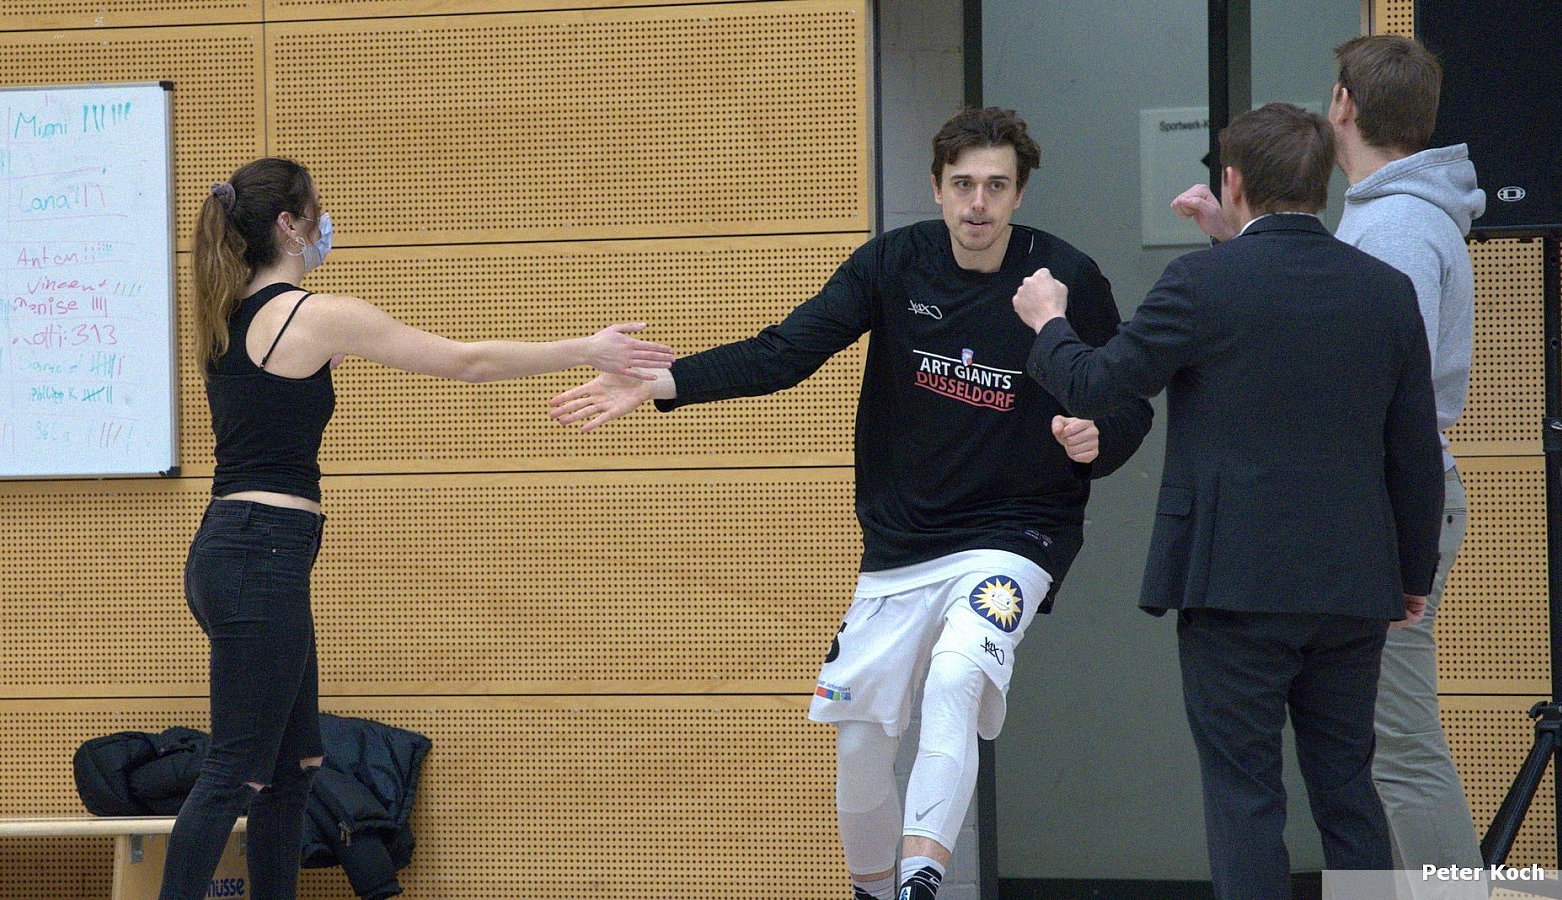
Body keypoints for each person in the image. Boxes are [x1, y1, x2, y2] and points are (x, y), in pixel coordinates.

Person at [549, 107, 1152, 900]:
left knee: (957, 675)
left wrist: (1098, 440)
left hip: (1017, 532)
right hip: (902, 543)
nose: (978, 203)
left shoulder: (1066, 277)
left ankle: (921, 880)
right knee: (862, 740)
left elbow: (1127, 401)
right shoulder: (893, 263)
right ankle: (873, 890)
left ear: (1019, 193)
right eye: (963, 184)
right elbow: (784, 352)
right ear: (935, 188)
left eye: (996, 186)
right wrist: (663, 382)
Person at [162, 156, 675, 900]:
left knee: (294, 768)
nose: (326, 223)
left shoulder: (230, 311)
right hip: (257, 557)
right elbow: (467, 362)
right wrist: (586, 349)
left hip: (244, 554)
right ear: (289, 225)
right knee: (234, 772)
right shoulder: (315, 314)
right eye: (317, 210)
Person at [1013, 103, 1444, 900]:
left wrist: (1049, 322)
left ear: (1234, 181)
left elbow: (1094, 384)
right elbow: (1413, 450)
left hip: (1232, 583)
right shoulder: (1384, 292)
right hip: (1353, 586)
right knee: (1348, 789)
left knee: (1245, 795)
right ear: (1322, 181)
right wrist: (1411, 573)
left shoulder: (1201, 284)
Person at [1171, 35, 1486, 876]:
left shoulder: (1395, 227)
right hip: (1382, 504)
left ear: (1343, 104)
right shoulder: (1393, 216)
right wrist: (1237, 246)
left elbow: (1363, 388)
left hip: (1389, 505)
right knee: (1378, 755)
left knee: (1400, 751)